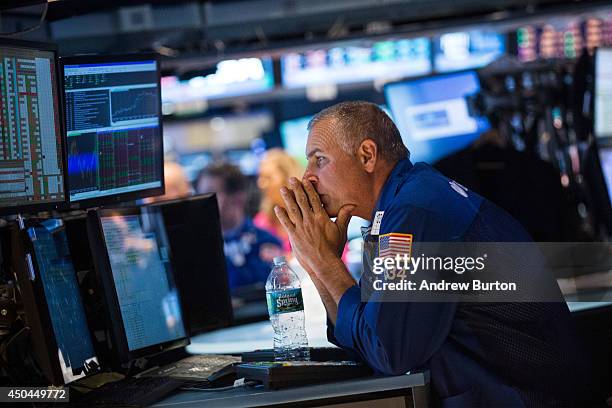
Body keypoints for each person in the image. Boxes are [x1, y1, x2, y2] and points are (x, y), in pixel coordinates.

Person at [273, 101, 595, 406]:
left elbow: (390, 351)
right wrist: (315, 261)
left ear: (367, 155)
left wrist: (326, 262)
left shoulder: (414, 213)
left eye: (319, 159)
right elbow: (367, 344)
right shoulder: (400, 207)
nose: (308, 178)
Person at [195, 163, 283, 291]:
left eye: (209, 194)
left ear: (238, 198)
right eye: (199, 194)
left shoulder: (267, 242)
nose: (200, 202)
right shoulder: (197, 248)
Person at [255, 148, 303, 254]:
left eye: (268, 178)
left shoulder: (309, 214)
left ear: (287, 178)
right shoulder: (262, 221)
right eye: (260, 177)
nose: (261, 184)